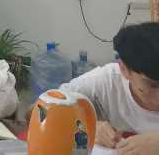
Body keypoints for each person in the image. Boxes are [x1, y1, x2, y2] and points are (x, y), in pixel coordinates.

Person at [58, 22, 159, 154]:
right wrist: (87, 126)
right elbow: (43, 109)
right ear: (124, 69)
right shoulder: (106, 81)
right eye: (153, 85)